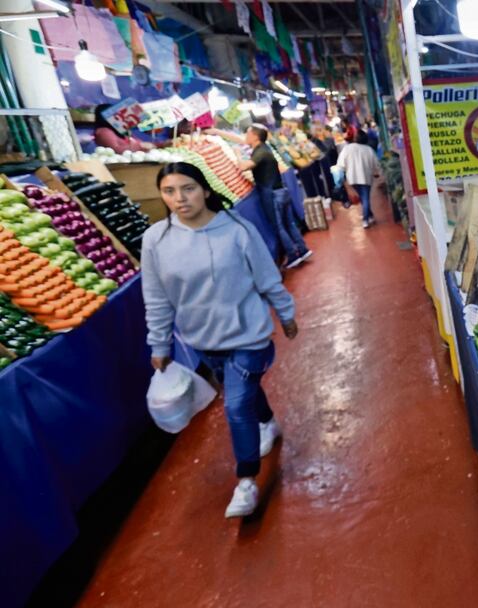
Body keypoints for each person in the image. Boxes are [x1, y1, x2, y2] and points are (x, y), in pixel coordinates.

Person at [143, 162, 298, 519]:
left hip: (249, 334)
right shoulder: (156, 240)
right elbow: (156, 297)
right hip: (202, 338)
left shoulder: (237, 230)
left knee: (235, 405)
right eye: (169, 191)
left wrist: (286, 314)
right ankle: (268, 422)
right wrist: (160, 345)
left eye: (188, 189)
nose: (179, 199)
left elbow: (267, 276)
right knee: (243, 396)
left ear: (206, 190)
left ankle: (246, 481)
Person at [207, 124, 312, 268]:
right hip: (282, 191)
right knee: (289, 223)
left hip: (273, 195)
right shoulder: (263, 147)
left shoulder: (260, 153)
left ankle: (293, 254)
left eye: (248, 133)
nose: (245, 136)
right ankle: (303, 249)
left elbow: (243, 166)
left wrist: (237, 154)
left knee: (279, 226)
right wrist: (216, 131)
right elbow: (241, 140)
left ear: (255, 136)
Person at [336, 131, 380, 229]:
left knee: (363, 198)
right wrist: (376, 172)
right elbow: (375, 163)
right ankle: (365, 220)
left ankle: (370, 216)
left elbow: (340, 164)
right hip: (366, 178)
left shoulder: (347, 148)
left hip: (352, 178)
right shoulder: (369, 149)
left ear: (356, 139)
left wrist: (341, 177)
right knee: (365, 198)